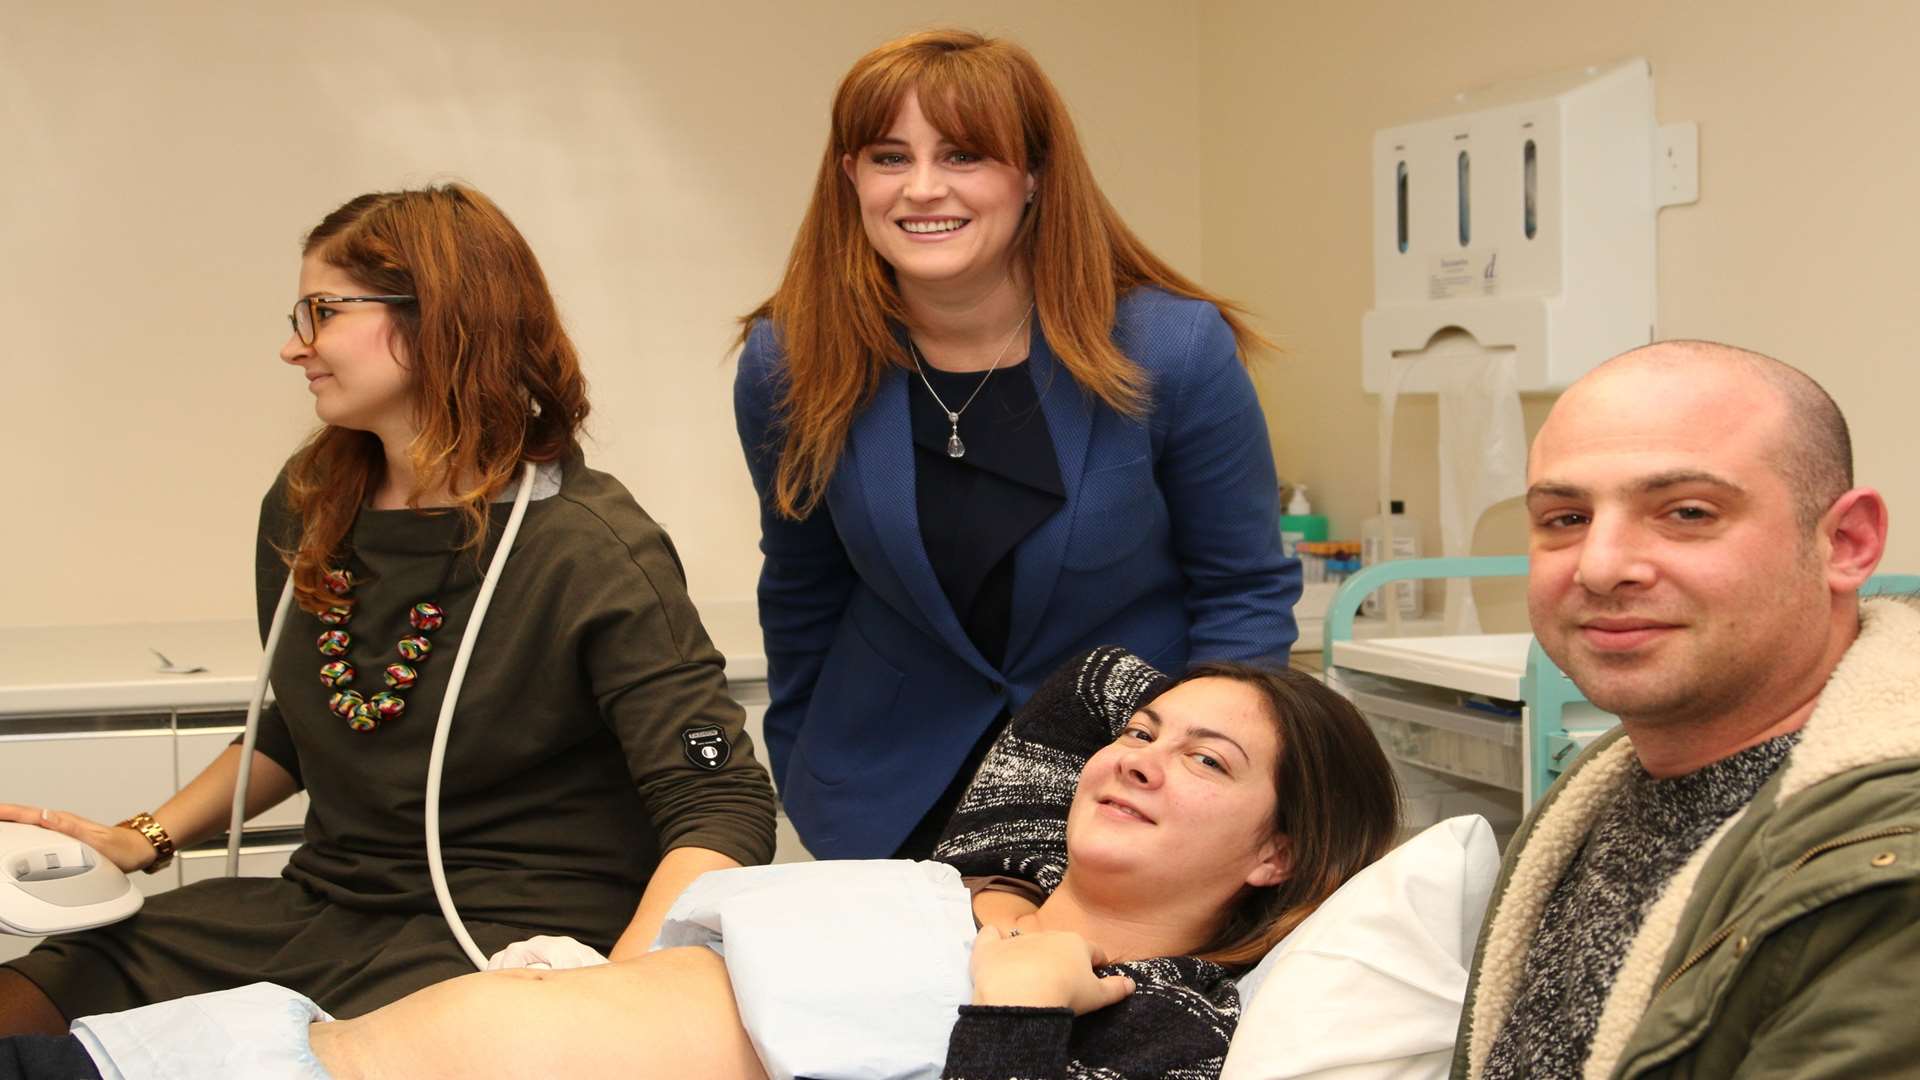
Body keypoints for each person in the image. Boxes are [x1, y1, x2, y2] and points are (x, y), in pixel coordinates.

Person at [0, 185, 777, 1038]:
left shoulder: (584, 545)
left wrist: (616, 1001)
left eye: (323, 311)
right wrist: (140, 838)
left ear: (438, 316)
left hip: (503, 933)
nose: (296, 348)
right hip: (322, 907)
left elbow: (722, 805)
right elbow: (301, 728)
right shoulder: (307, 509)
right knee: (40, 991)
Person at [2, 645, 1401, 1079]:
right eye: (1146, 740)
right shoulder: (1016, 855)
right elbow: (1087, 686)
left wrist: (1020, 1001)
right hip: (256, 1052)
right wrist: (1002, 906)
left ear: (1284, 852)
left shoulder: (1174, 1014)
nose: (1140, 754)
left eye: (1208, 763)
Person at [734, 28, 1301, 861]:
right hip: (886, 798)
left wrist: (1205, 785)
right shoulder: (790, 360)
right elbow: (802, 586)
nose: (923, 189)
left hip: (1124, 795)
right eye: (890, 157)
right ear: (850, 175)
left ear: (1032, 173)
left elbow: (1242, 592)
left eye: (964, 155)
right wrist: (806, 763)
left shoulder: (1171, 349)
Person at [1450, 341, 1918, 1079]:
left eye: (1687, 512)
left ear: (1847, 542)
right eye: (1566, 518)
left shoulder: (1889, 872)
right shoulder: (1601, 789)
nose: (1601, 566)